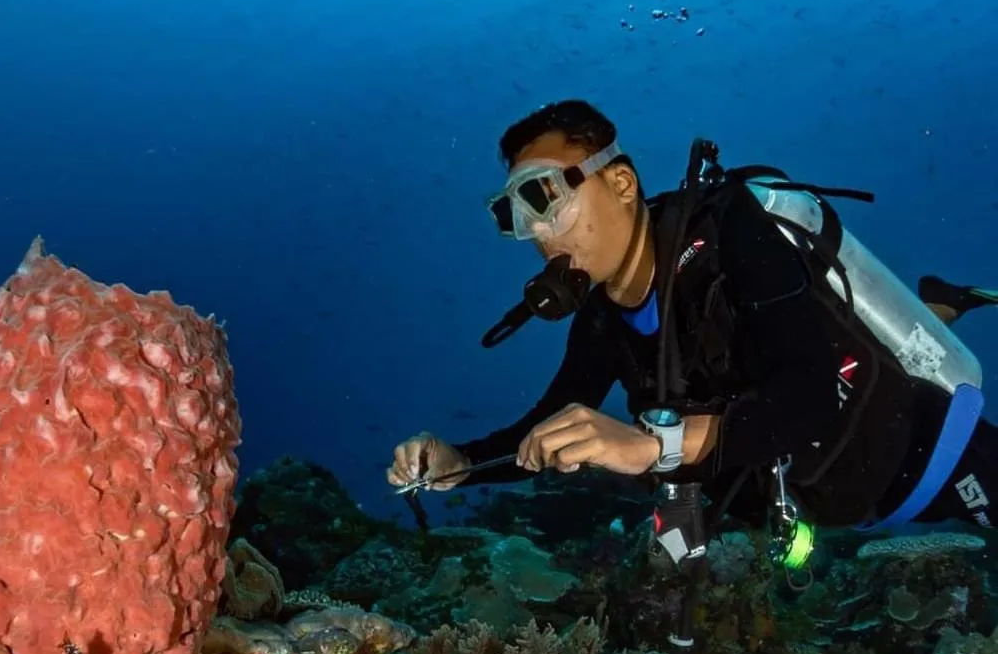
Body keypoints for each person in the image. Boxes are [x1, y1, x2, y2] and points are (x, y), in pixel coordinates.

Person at [387, 99, 998, 535]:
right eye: (513, 217)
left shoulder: (734, 234)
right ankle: (945, 300)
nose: (539, 233)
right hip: (845, 503)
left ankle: (941, 308)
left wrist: (654, 446)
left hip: (935, 455)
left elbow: (811, 397)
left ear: (621, 182)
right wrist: (460, 464)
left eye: (544, 198)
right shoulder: (602, 319)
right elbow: (544, 427)